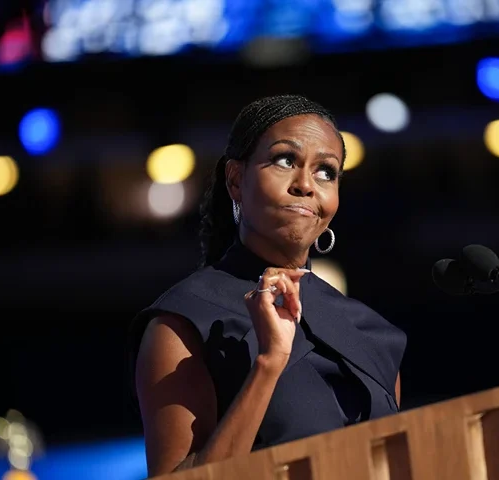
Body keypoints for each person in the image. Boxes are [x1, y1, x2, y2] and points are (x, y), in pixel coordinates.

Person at [127, 94, 407, 477]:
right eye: (285, 160)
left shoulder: (371, 332)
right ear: (236, 180)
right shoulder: (184, 322)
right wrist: (268, 365)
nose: (306, 184)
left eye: (326, 171)